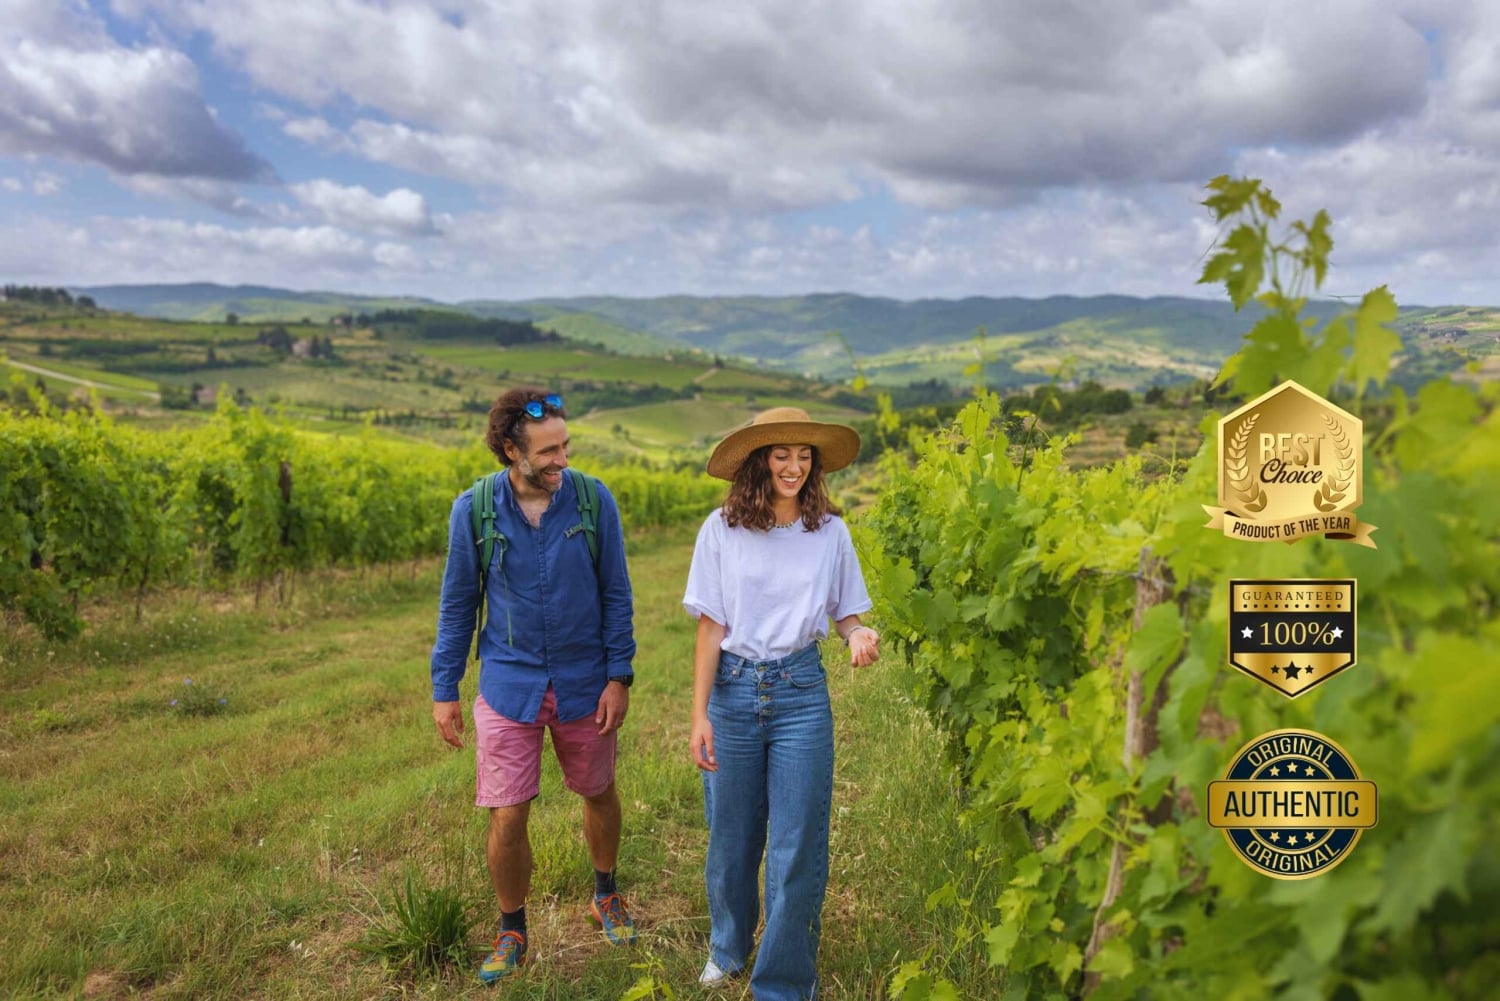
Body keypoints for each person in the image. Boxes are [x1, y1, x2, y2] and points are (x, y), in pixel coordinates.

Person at [430, 387, 638, 982]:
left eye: (565, 446)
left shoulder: (593, 500)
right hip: (508, 682)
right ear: (509, 450)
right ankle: (512, 929)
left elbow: (617, 593)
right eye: (548, 451)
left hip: (585, 681)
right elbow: (458, 604)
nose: (561, 460)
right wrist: (445, 688)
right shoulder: (474, 511)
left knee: (598, 791)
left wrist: (618, 676)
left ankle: (605, 893)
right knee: (507, 812)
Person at [683, 407, 880, 1000]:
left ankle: (784, 981)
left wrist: (858, 634)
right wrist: (698, 715)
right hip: (733, 692)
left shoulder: (831, 532)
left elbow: (845, 613)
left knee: (797, 844)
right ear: (758, 461)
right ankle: (728, 947)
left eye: (803, 456)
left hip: (800, 694)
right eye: (781, 455)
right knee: (732, 837)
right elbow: (711, 628)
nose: (794, 466)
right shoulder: (722, 529)